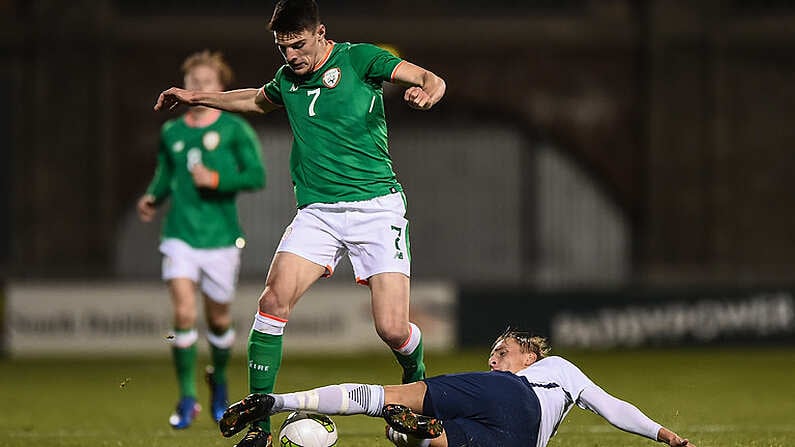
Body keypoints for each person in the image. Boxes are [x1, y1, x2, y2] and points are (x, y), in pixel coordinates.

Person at [154, 1, 445, 445]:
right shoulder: (287, 79)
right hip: (318, 213)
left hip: (377, 208)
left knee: (391, 328)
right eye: (282, 46)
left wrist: (427, 90)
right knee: (271, 302)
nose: (291, 55)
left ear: (321, 33)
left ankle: (417, 385)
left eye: (298, 44)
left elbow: (429, 77)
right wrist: (198, 98)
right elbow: (254, 99)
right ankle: (259, 429)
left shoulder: (360, 58)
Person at [219, 328, 697, 447]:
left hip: (515, 399)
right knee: (433, 438)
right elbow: (613, 410)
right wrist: (663, 435)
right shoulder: (553, 380)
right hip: (519, 442)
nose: (494, 358)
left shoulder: (552, 369)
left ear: (531, 356)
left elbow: (612, 406)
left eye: (502, 351)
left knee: (392, 395)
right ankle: (412, 433)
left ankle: (278, 400)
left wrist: (658, 431)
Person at [138, 50, 266, 430]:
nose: (197, 87)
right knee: (183, 313)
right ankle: (187, 397)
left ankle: (220, 382)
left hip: (222, 237)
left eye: (206, 82)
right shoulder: (172, 131)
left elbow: (256, 176)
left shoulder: (234, 129)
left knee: (219, 319)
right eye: (193, 81)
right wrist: (152, 196)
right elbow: (165, 172)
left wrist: (218, 181)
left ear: (220, 87)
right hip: (179, 234)